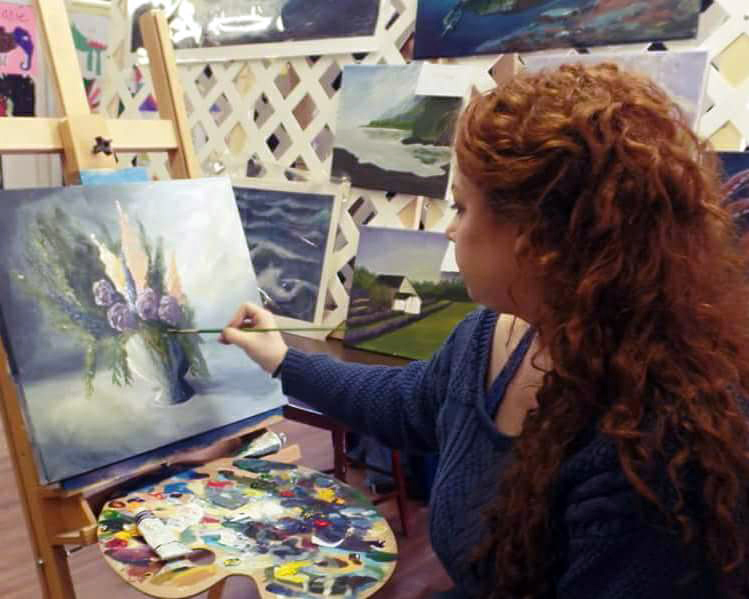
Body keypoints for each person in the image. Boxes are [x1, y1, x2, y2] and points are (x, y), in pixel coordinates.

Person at [220, 63, 749, 598]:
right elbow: (407, 400)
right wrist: (282, 359)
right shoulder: (494, 336)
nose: (450, 229)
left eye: (461, 206)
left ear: (538, 238)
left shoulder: (658, 451)